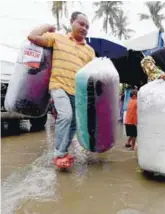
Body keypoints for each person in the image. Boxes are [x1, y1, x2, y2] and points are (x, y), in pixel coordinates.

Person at [28, 11, 95, 168]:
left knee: (73, 123)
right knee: (66, 116)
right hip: (59, 86)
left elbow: (91, 74)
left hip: (78, 92)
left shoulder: (90, 51)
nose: (84, 28)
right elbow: (32, 37)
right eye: (81, 24)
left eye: (87, 26)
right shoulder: (58, 38)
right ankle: (58, 155)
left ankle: (63, 152)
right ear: (72, 22)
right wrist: (47, 27)